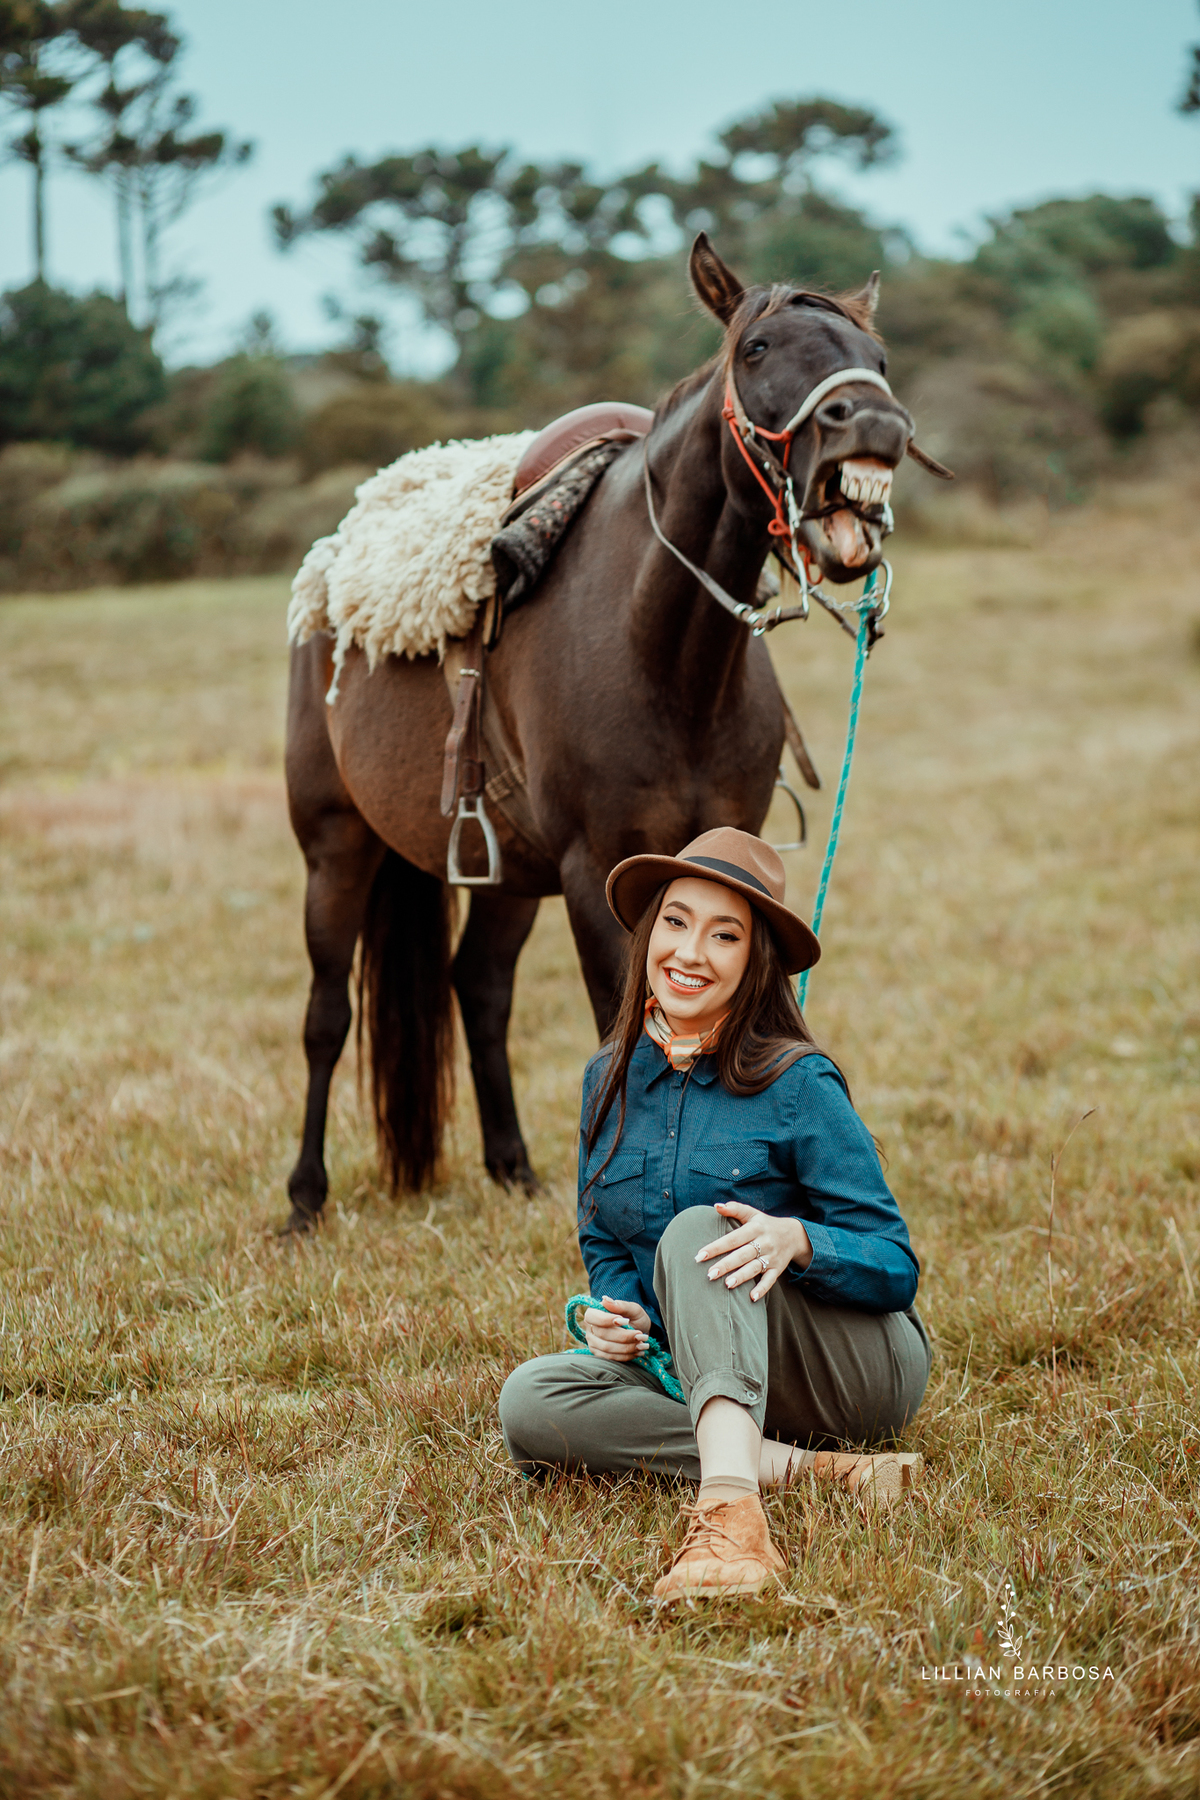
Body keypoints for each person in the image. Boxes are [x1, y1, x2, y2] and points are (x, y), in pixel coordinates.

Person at [499, 827, 930, 1602]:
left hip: (847, 1367)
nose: (690, 952)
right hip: (707, 1368)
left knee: (700, 1230)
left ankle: (732, 1520)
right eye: (676, 921)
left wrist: (797, 1240)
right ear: (648, 933)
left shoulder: (799, 1082)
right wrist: (616, 1313)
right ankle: (812, 1470)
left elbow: (895, 1267)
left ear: (754, 958)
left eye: (724, 935)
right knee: (531, 1402)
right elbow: (603, 1238)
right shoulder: (607, 1079)